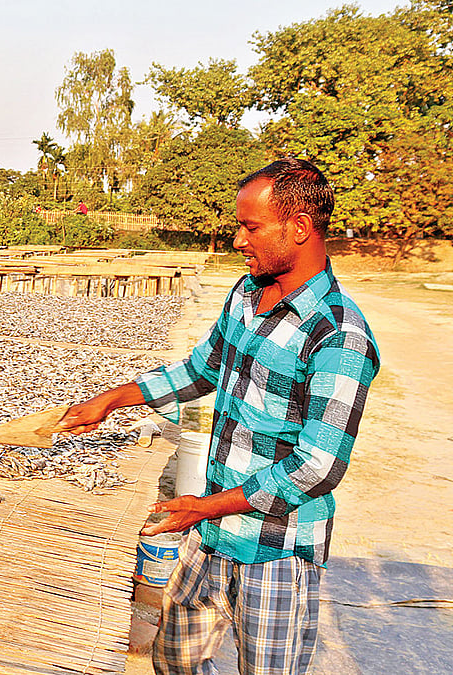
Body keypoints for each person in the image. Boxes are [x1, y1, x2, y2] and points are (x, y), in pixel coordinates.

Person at [53, 159, 379, 674]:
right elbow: (201, 369)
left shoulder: (339, 336)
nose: (237, 240)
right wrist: (113, 399)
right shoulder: (247, 295)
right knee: (174, 664)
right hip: (210, 537)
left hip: (276, 551)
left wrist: (205, 507)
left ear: (299, 228)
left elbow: (318, 466)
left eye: (251, 227)